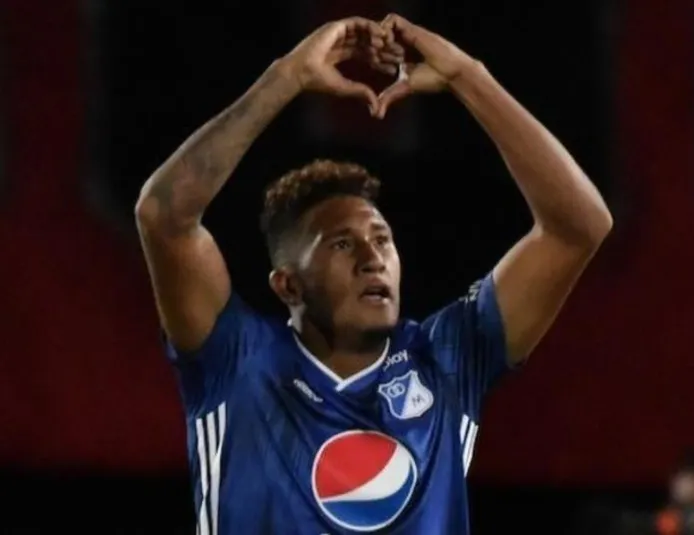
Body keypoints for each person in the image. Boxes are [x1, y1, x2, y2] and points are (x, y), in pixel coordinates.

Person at [135, 14, 612, 535]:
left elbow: (579, 227)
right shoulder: (236, 362)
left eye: (382, 239)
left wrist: (468, 76)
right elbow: (163, 217)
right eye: (342, 244)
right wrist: (287, 77)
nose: (372, 257)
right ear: (288, 284)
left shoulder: (447, 361)